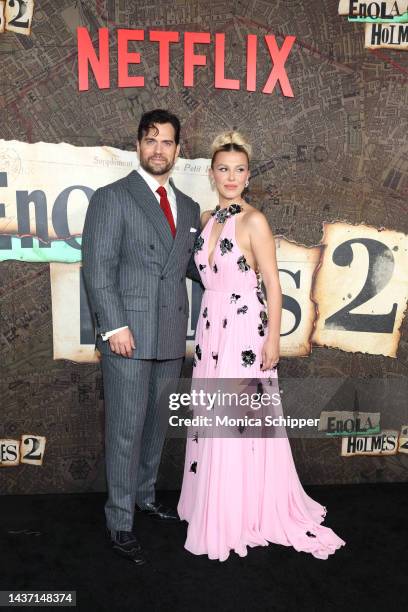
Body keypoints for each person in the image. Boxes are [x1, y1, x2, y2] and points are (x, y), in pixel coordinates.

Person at [177, 131, 346, 561]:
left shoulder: (255, 220)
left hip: (244, 331)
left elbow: (272, 282)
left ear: (248, 176)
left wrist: (272, 339)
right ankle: (212, 504)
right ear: (212, 173)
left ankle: (240, 511)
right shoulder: (207, 217)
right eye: (222, 169)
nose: (230, 177)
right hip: (212, 326)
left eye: (238, 170)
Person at [82, 109, 201, 565]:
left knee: (156, 427)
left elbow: (191, 266)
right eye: (150, 140)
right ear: (138, 145)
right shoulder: (112, 198)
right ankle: (119, 520)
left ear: (177, 150)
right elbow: (98, 268)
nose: (158, 149)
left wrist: (237, 272)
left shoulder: (188, 207)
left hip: (170, 334)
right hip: (126, 338)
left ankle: (145, 497)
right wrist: (114, 326)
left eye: (167, 142)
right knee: (126, 430)